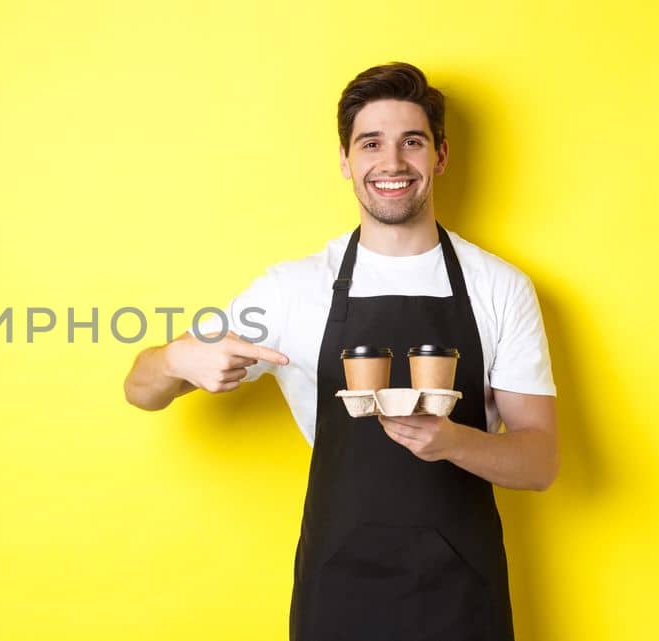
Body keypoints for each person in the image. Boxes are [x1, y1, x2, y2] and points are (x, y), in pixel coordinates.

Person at [122, 62, 558, 640]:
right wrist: (177, 360)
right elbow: (140, 389)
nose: (392, 163)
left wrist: (452, 439)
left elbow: (540, 461)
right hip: (338, 589)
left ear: (441, 157)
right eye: (371, 143)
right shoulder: (290, 290)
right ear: (346, 162)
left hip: (462, 594)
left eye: (413, 142)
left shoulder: (499, 287)